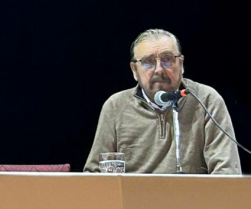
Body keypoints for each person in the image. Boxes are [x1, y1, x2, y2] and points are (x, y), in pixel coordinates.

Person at [84, 28, 240, 174]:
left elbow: (227, 173)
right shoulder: (116, 106)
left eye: (167, 59)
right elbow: (94, 176)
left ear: (181, 64)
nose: (159, 69)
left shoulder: (206, 100)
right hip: (133, 202)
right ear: (134, 71)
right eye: (148, 62)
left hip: (193, 201)